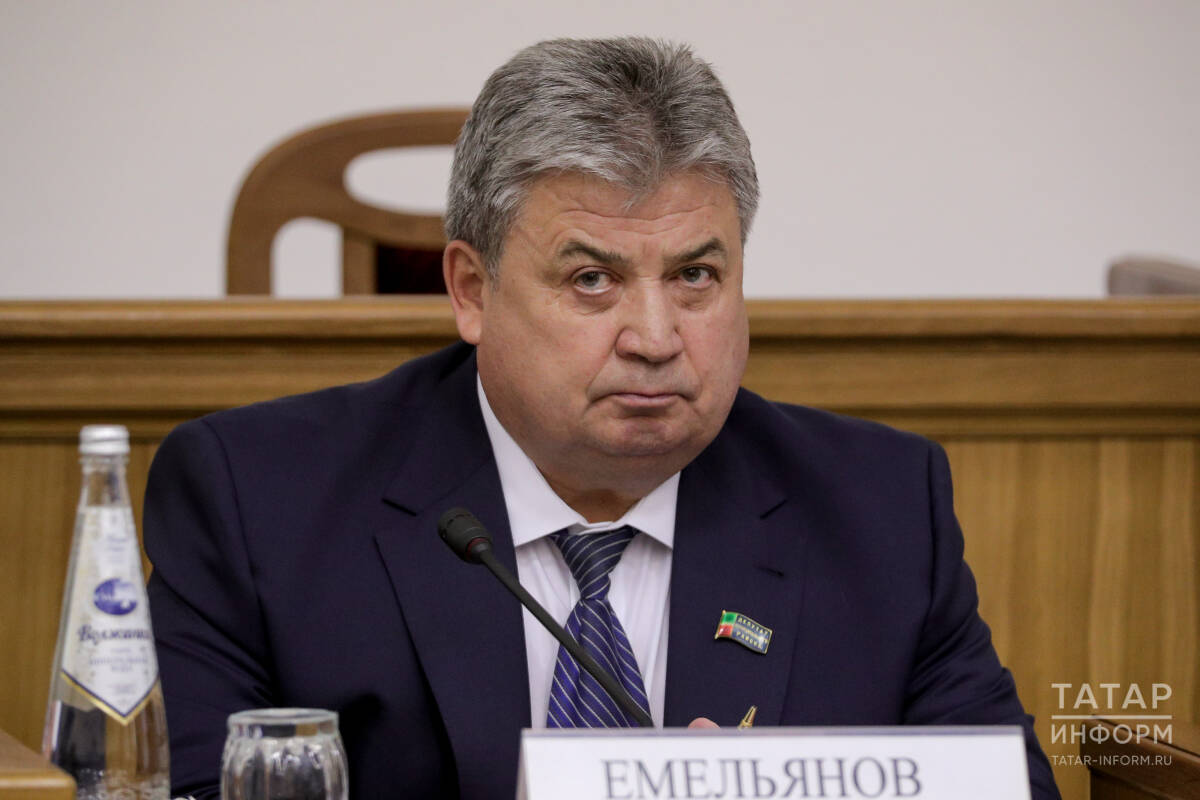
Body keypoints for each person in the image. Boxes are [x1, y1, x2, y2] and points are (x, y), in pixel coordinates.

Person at [145, 37, 1060, 799]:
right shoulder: (256, 503)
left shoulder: (881, 511)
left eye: (696, 276)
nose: (655, 339)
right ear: (471, 290)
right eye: (592, 280)